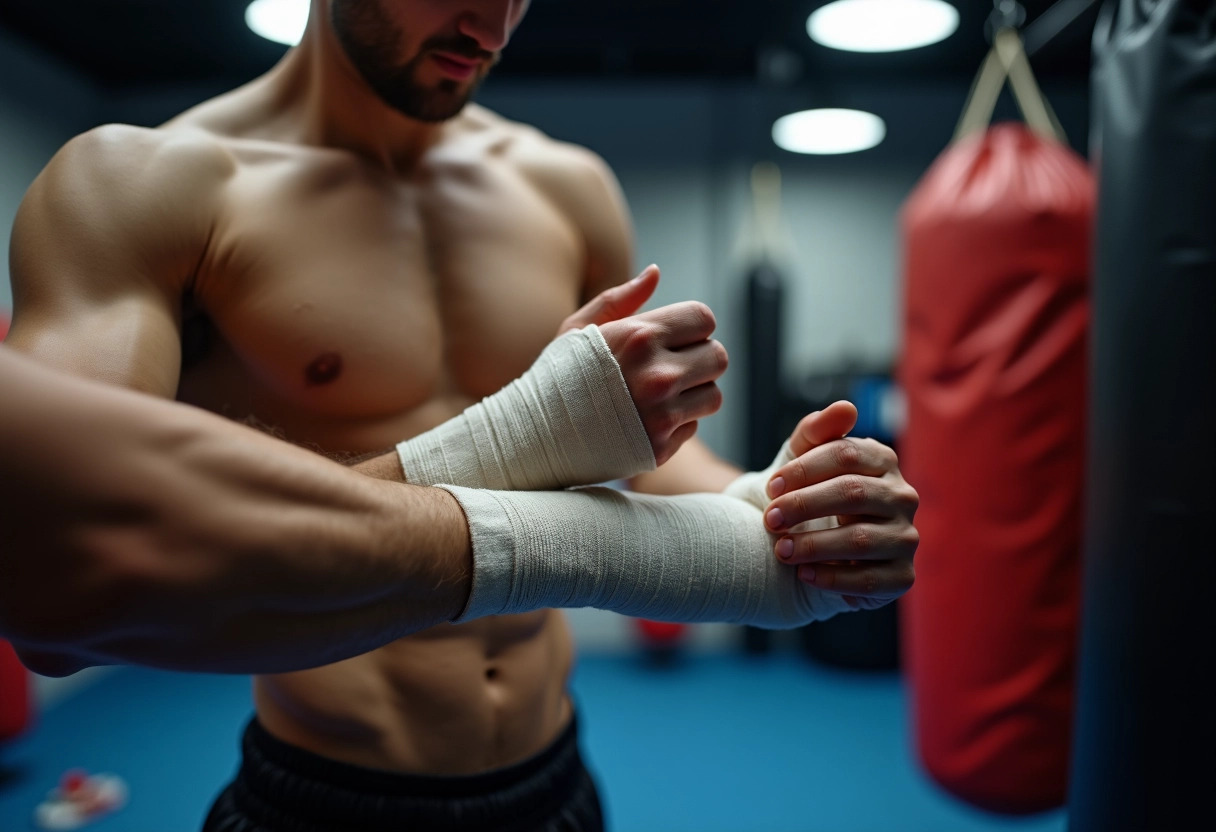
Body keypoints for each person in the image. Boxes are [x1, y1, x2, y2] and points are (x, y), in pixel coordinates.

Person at [3, 1, 919, 829]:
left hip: (556, 777)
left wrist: (783, 504)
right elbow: (56, 588)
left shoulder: (566, 186)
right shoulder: (146, 188)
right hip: (331, 795)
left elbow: (646, 455)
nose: (492, 26)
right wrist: (524, 451)